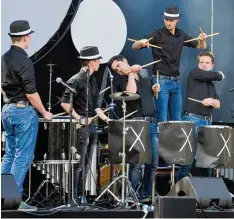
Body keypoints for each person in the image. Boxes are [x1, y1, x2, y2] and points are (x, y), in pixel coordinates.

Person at [1, 20, 53, 211]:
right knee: (22, 156)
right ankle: (13, 201)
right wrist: (45, 112)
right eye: (30, 35)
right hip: (22, 111)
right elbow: (31, 93)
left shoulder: (3, 58)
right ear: (25, 37)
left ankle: (3, 198)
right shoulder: (24, 60)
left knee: (9, 155)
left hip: (6, 110)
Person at [132, 6, 207, 122]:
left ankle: (174, 141)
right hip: (160, 81)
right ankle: (161, 140)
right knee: (162, 119)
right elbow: (134, 46)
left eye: (171, 20)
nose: (168, 22)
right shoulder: (157, 34)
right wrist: (141, 42)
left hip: (176, 82)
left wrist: (202, 39)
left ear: (177, 20)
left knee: (177, 120)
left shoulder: (181, 35)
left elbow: (201, 47)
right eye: (166, 19)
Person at [108, 55, 160, 203]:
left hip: (150, 122)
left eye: (118, 65)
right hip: (135, 123)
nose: (118, 69)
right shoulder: (120, 80)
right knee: (136, 163)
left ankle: (145, 195)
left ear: (125, 60)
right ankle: (132, 197)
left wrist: (155, 90)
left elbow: (150, 96)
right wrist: (131, 74)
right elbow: (131, 93)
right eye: (115, 69)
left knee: (153, 162)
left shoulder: (143, 74)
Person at [61, 46, 109, 202]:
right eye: (97, 60)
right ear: (90, 62)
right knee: (79, 164)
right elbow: (65, 103)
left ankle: (82, 196)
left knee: (88, 165)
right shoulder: (75, 80)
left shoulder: (93, 79)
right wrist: (80, 119)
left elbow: (95, 106)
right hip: (81, 126)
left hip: (92, 126)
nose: (100, 62)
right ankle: (73, 197)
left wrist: (106, 119)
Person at [177, 51, 225, 181]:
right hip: (192, 120)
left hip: (207, 123)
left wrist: (212, 101)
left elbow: (218, 104)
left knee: (207, 162)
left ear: (212, 65)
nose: (204, 65)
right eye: (201, 62)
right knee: (187, 162)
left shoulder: (211, 85)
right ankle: (177, 195)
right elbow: (217, 76)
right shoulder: (195, 73)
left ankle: (207, 195)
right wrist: (220, 75)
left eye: (207, 63)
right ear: (198, 64)